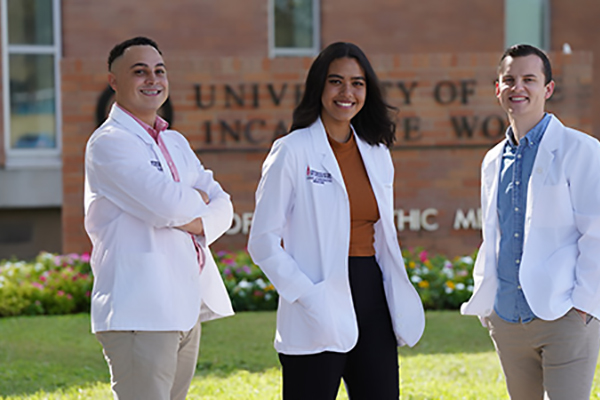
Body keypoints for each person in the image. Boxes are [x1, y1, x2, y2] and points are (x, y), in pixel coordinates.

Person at [247, 42, 425, 400]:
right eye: (336, 82)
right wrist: (307, 296)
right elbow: (262, 241)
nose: (347, 93)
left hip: (371, 295)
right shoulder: (292, 150)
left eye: (357, 83)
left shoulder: (376, 153)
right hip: (317, 294)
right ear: (319, 87)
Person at [84, 36, 234, 400]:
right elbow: (165, 206)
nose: (152, 79)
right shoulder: (109, 143)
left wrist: (194, 210)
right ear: (114, 81)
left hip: (183, 308)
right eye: (139, 72)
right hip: (140, 309)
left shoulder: (176, 143)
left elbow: (224, 206)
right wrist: (197, 204)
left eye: (159, 71)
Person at [461, 44, 600, 399]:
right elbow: (494, 234)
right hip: (507, 318)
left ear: (548, 89)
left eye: (529, 79)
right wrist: (490, 308)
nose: (517, 87)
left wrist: (583, 305)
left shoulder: (580, 150)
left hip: (564, 315)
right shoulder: (493, 160)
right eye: (509, 79)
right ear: (497, 88)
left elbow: (596, 232)